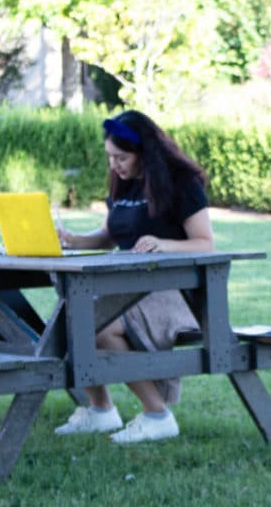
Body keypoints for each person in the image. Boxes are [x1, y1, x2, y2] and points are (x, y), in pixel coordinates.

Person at [54, 110, 214, 444]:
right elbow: (110, 235)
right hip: (126, 288)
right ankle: (104, 411)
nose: (115, 165)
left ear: (145, 152)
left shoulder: (181, 184)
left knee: (89, 323)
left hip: (171, 293)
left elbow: (205, 243)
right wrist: (72, 240)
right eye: (110, 157)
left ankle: (155, 414)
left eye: (121, 157)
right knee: (83, 324)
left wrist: (162, 244)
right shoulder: (123, 185)